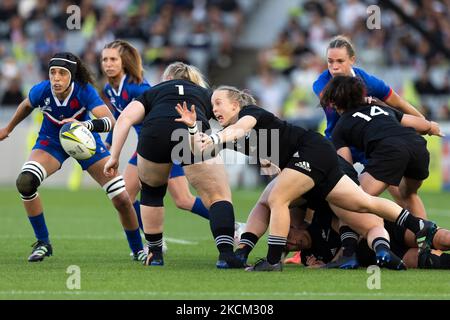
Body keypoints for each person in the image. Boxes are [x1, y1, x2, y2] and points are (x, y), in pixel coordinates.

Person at [175, 85, 437, 272]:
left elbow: (238, 130)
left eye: (218, 103)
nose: (214, 108)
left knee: (278, 197)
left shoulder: (249, 114)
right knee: (362, 202)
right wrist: (192, 127)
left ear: (235, 104)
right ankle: (420, 225)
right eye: (212, 106)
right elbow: (203, 148)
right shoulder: (230, 131)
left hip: (310, 150)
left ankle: (273, 260)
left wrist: (217, 136)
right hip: (317, 157)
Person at [0, 52, 145, 262]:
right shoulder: (42, 90)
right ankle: (43, 243)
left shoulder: (84, 90)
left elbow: (110, 121)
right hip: (51, 142)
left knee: (122, 199)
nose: (56, 78)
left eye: (62, 73)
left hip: (86, 143)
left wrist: (84, 125)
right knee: (25, 182)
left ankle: (138, 250)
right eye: (52, 73)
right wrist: (8, 128)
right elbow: (25, 106)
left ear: (72, 76)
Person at [103, 62, 244, 268]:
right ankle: (225, 255)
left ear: (167, 79)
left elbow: (125, 118)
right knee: (217, 196)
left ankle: (155, 254)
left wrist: (114, 156)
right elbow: (233, 116)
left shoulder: (154, 91)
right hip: (193, 132)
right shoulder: (205, 93)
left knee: (151, 193)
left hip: (155, 134)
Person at [313, 35, 427, 219]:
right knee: (327, 193)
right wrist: (369, 101)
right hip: (339, 142)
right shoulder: (321, 82)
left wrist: (421, 121)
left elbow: (399, 102)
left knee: (404, 194)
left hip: (368, 142)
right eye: (330, 62)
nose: (334, 67)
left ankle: (429, 240)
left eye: (340, 61)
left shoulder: (369, 81)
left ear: (352, 60)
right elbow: (339, 99)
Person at [101, 40, 210, 231]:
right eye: (104, 60)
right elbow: (121, 118)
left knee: (183, 199)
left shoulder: (139, 88)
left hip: (158, 144)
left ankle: (231, 225)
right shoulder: (110, 89)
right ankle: (146, 242)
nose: (108, 64)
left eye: (113, 59)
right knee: (126, 195)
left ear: (124, 62)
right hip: (147, 147)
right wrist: (109, 143)